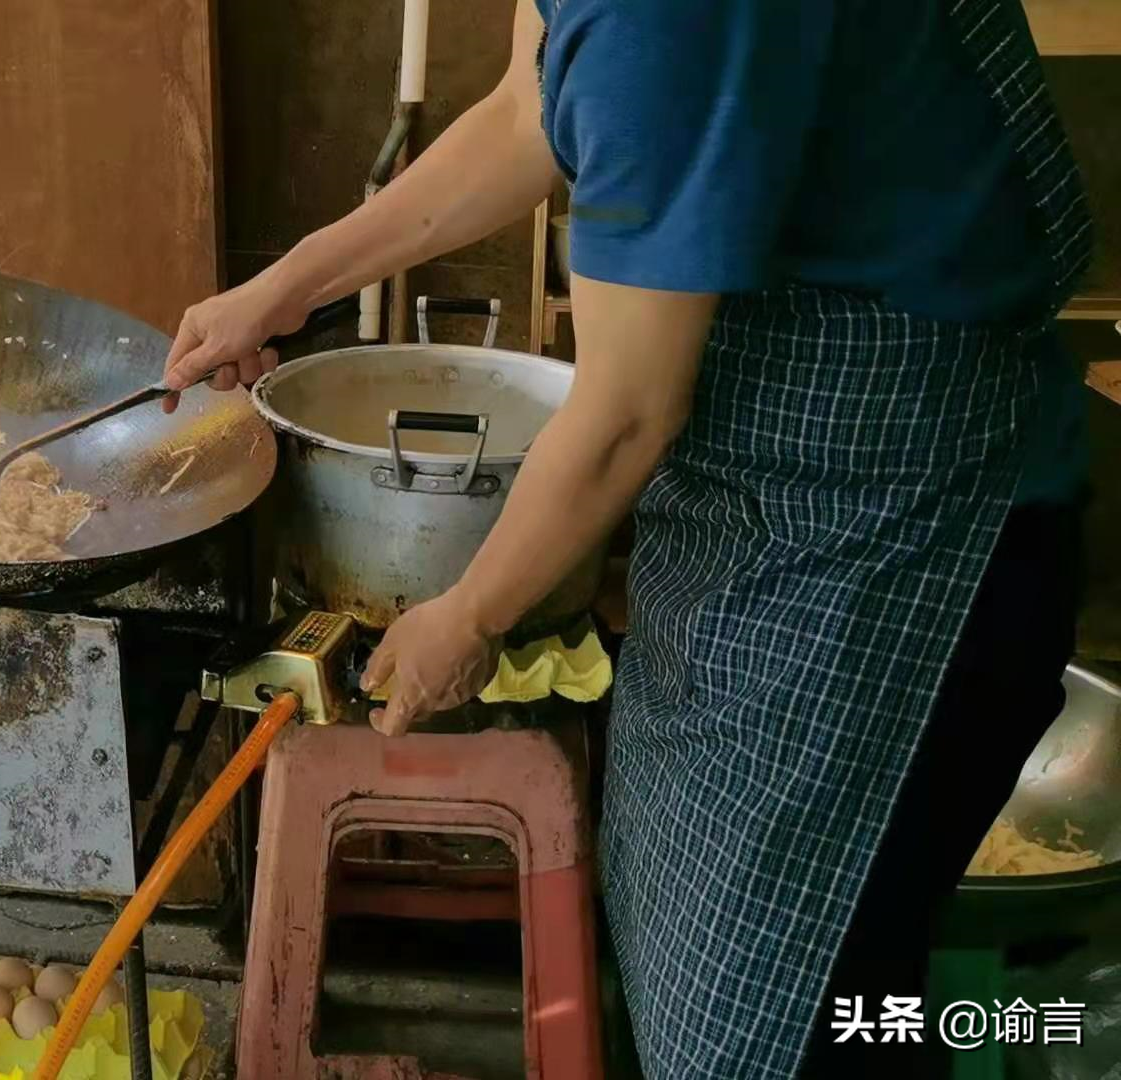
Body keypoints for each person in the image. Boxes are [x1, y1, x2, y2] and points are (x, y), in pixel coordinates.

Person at [162, 1, 1088, 1076]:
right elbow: (526, 113)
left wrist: (470, 615)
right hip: (772, 506)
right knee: (739, 968)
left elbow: (624, 415)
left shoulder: (665, 17)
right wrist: (284, 289)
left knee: (796, 1019)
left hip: (905, 546)